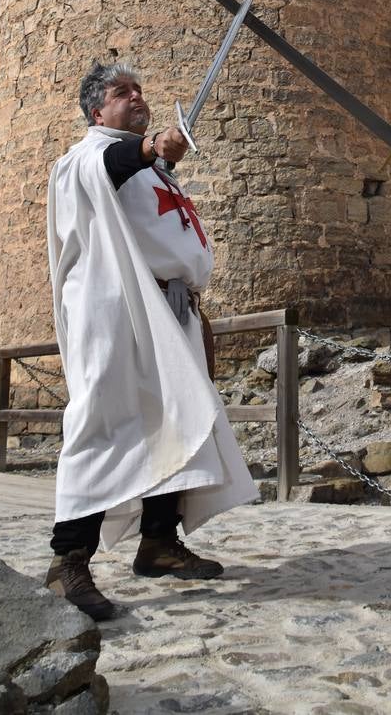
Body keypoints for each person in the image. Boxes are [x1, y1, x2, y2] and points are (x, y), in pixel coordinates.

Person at [44, 61, 258, 621]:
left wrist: (161, 159)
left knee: (176, 420)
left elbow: (142, 189)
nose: (137, 97)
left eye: (141, 89)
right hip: (114, 309)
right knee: (103, 422)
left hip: (169, 307)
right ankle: (68, 563)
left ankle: (159, 544)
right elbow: (109, 167)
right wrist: (149, 150)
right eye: (122, 93)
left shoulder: (151, 171)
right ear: (97, 111)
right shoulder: (83, 159)